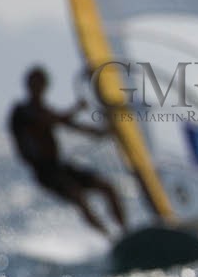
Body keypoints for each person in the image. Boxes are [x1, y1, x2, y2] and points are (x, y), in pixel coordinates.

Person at [8, 66, 126, 236]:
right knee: (78, 196)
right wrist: (77, 108)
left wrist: (101, 133)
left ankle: (125, 232)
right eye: (35, 84)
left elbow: (70, 125)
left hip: (59, 166)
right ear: (28, 85)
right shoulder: (21, 112)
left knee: (107, 187)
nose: (39, 88)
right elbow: (52, 120)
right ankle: (108, 236)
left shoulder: (43, 109)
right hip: (44, 172)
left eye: (41, 84)